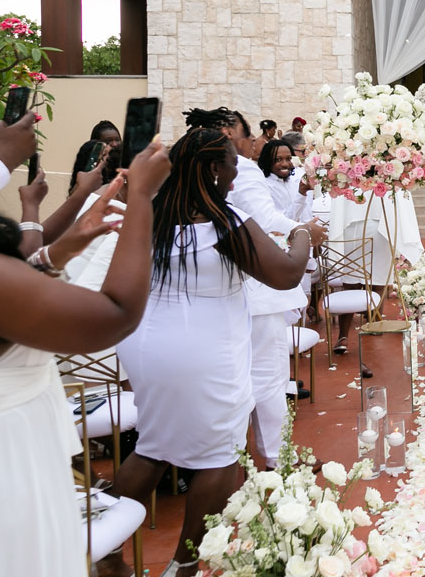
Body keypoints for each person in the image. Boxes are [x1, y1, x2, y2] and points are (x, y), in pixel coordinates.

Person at [112, 128, 323, 577]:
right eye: (231, 164)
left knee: (152, 444)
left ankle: (108, 554)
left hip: (146, 344)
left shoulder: (151, 214)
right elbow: (286, 273)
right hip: (201, 348)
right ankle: (184, 566)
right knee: (221, 459)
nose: (236, 173)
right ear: (212, 169)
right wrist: (303, 234)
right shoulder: (224, 222)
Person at [0, 131, 171, 577]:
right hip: (0, 475)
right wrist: (142, 200)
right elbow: (114, 314)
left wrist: (62, 250)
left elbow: (14, 282)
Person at [185, 107, 325, 467]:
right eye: (248, 137)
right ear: (232, 134)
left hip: (213, 293)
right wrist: (304, 231)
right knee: (269, 378)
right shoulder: (241, 168)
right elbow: (263, 220)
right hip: (256, 289)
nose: (252, 145)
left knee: (235, 377)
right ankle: (278, 458)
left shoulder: (186, 169)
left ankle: (233, 457)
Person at [259, 138, 311, 222]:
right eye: (278, 159)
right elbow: (282, 222)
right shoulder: (266, 186)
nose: (285, 164)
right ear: (268, 161)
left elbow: (305, 214)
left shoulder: (293, 181)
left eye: (288, 159)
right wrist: (301, 194)